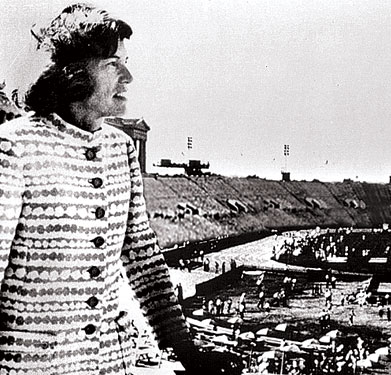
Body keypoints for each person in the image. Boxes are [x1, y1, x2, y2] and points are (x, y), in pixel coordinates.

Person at [0, 4, 241, 374]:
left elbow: (143, 262)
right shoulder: (14, 147)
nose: (128, 76)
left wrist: (185, 349)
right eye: (114, 64)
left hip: (110, 365)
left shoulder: (120, 148)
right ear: (75, 74)